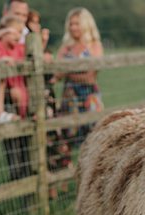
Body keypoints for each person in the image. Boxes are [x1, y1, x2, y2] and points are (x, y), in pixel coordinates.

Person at [28, 10, 72, 199]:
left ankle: (63, 180)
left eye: (38, 23)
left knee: (58, 139)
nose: (36, 27)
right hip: (38, 101)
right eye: (32, 23)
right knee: (45, 143)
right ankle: (50, 187)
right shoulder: (28, 46)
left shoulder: (44, 51)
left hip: (50, 101)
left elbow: (52, 73)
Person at [55, 7, 104, 145]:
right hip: (70, 96)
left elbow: (90, 75)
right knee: (70, 133)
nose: (73, 27)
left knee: (94, 133)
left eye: (77, 24)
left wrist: (68, 71)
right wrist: (76, 71)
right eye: (71, 24)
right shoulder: (66, 46)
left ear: (85, 25)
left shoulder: (94, 45)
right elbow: (57, 73)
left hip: (89, 94)